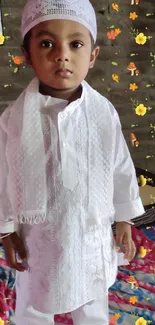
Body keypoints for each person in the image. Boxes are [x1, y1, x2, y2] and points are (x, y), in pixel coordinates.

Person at [0, 0, 145, 324]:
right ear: (27, 55)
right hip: (38, 238)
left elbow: (120, 164)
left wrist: (124, 219)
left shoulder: (102, 111)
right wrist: (6, 231)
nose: (61, 54)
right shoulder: (15, 120)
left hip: (90, 231)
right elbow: (2, 174)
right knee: (35, 302)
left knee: (92, 302)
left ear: (92, 55)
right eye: (47, 43)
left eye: (75, 44)